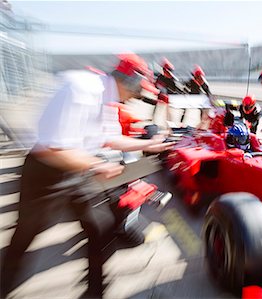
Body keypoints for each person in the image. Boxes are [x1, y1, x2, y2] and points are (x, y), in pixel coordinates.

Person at [0, 53, 174, 298]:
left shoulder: (110, 100)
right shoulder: (80, 89)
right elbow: (53, 149)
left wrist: (148, 146)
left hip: (78, 169)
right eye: (138, 91)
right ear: (130, 82)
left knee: (100, 227)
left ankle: (95, 291)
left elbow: (108, 138)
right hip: (45, 173)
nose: (137, 97)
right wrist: (96, 165)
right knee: (26, 234)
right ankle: (4, 283)